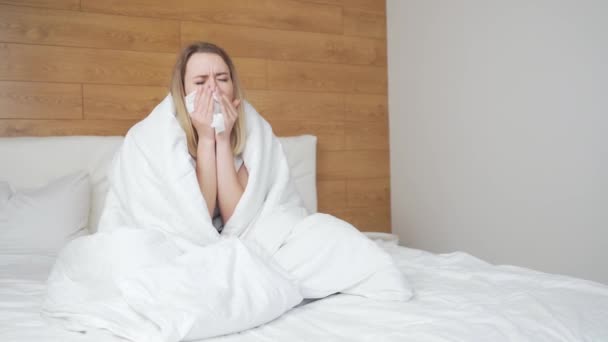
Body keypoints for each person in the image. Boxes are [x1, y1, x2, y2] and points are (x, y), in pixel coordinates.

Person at [170, 42, 249, 231]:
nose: (214, 88)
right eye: (200, 82)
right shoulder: (166, 136)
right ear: (183, 92)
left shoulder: (255, 136)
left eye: (222, 79)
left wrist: (222, 139)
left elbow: (238, 221)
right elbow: (197, 221)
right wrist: (206, 139)